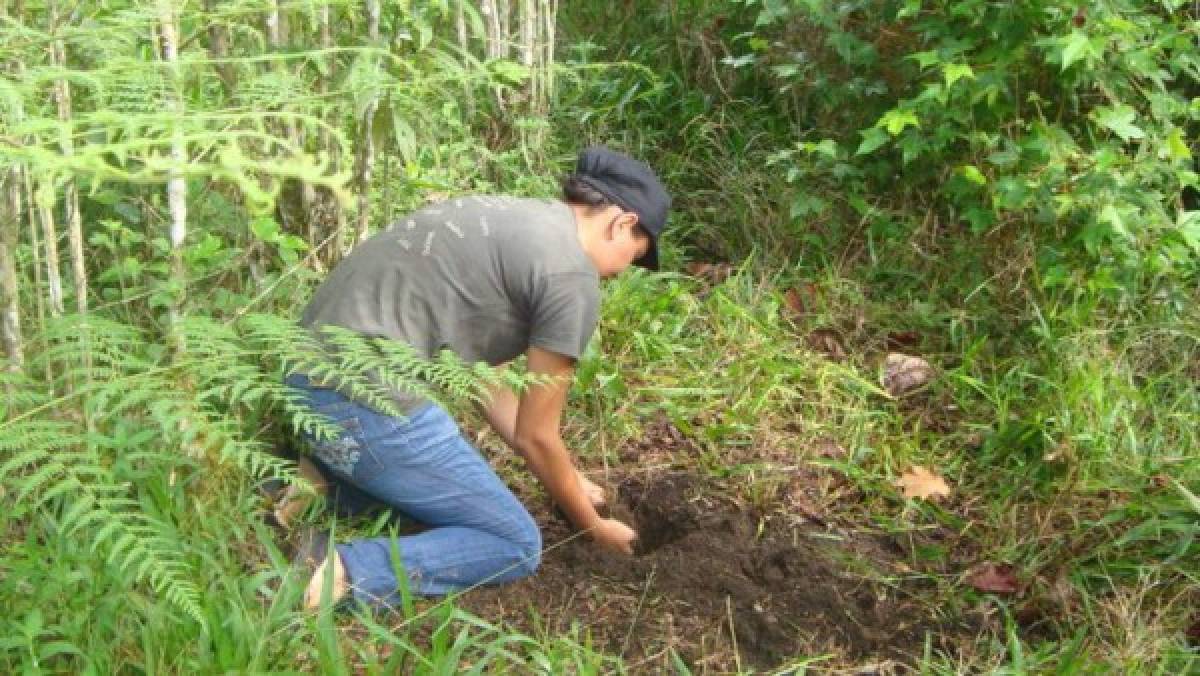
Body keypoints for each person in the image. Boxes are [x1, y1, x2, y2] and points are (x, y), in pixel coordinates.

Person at [284, 146, 671, 608]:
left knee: (444, 501)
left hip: (304, 382)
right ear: (621, 223)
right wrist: (593, 526)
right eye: (636, 252)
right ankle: (341, 570)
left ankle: (318, 487)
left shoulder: (511, 217)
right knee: (514, 544)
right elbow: (537, 434)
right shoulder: (571, 275)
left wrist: (567, 476)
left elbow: (483, 381)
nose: (624, 269)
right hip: (364, 402)